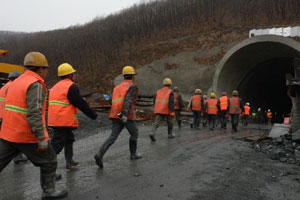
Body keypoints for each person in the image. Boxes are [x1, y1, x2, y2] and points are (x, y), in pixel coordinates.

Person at [0, 52, 67, 199]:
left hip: (8, 133)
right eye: (46, 69)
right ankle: (49, 191)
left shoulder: (17, 82)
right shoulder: (34, 84)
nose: (47, 72)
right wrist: (41, 137)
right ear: (40, 69)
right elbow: (34, 113)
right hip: (25, 135)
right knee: (50, 159)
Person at [48, 63, 98, 170]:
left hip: (55, 119)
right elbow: (79, 103)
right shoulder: (71, 87)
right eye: (73, 74)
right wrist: (93, 115)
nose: (74, 75)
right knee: (57, 145)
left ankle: (69, 162)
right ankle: (47, 165)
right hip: (62, 120)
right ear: (70, 75)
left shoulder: (55, 87)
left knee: (69, 139)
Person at [94, 66, 142, 168]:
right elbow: (128, 101)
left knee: (113, 137)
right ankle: (133, 154)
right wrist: (124, 115)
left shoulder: (117, 87)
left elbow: (111, 101)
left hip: (115, 114)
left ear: (124, 76)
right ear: (132, 76)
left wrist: (119, 113)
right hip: (125, 115)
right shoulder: (132, 86)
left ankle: (99, 154)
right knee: (134, 133)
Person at [0, 71, 29, 164]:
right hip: (9, 117)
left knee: (6, 139)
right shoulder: (13, 87)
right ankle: (18, 157)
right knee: (15, 138)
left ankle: (16, 156)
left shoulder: (3, 88)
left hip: (2, 116)